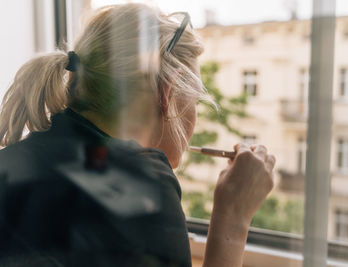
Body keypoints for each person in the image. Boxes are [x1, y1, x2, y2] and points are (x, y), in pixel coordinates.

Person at [0, 3, 275, 267]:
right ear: (167, 93)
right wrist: (233, 218)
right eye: (194, 102)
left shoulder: (17, 159)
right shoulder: (143, 186)